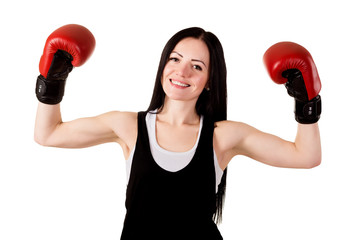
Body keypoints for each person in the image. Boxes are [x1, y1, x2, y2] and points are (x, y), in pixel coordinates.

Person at [34, 24, 322, 240]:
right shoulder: (128, 126)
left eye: (196, 66)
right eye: (175, 59)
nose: (182, 72)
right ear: (163, 66)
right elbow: (48, 134)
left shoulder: (222, 136)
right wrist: (52, 78)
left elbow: (306, 156)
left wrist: (306, 102)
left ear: (210, 81)